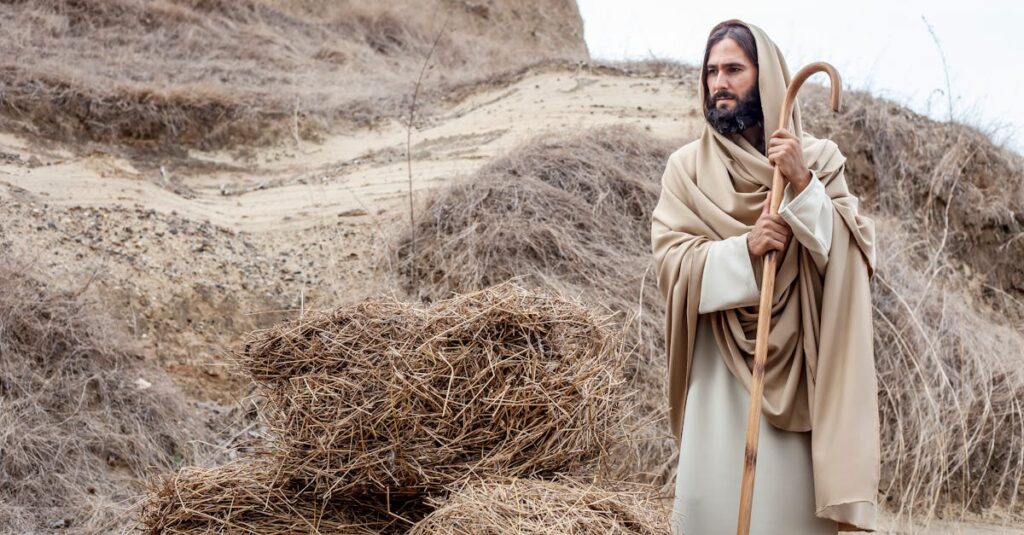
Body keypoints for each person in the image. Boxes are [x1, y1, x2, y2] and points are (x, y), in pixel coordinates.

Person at [650, 19, 881, 534]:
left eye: (734, 69)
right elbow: (671, 263)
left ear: (767, 78)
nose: (719, 84)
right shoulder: (685, 170)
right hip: (717, 382)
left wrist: (802, 184)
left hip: (798, 379)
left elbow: (852, 256)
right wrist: (744, 251)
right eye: (711, 71)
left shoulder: (818, 161)